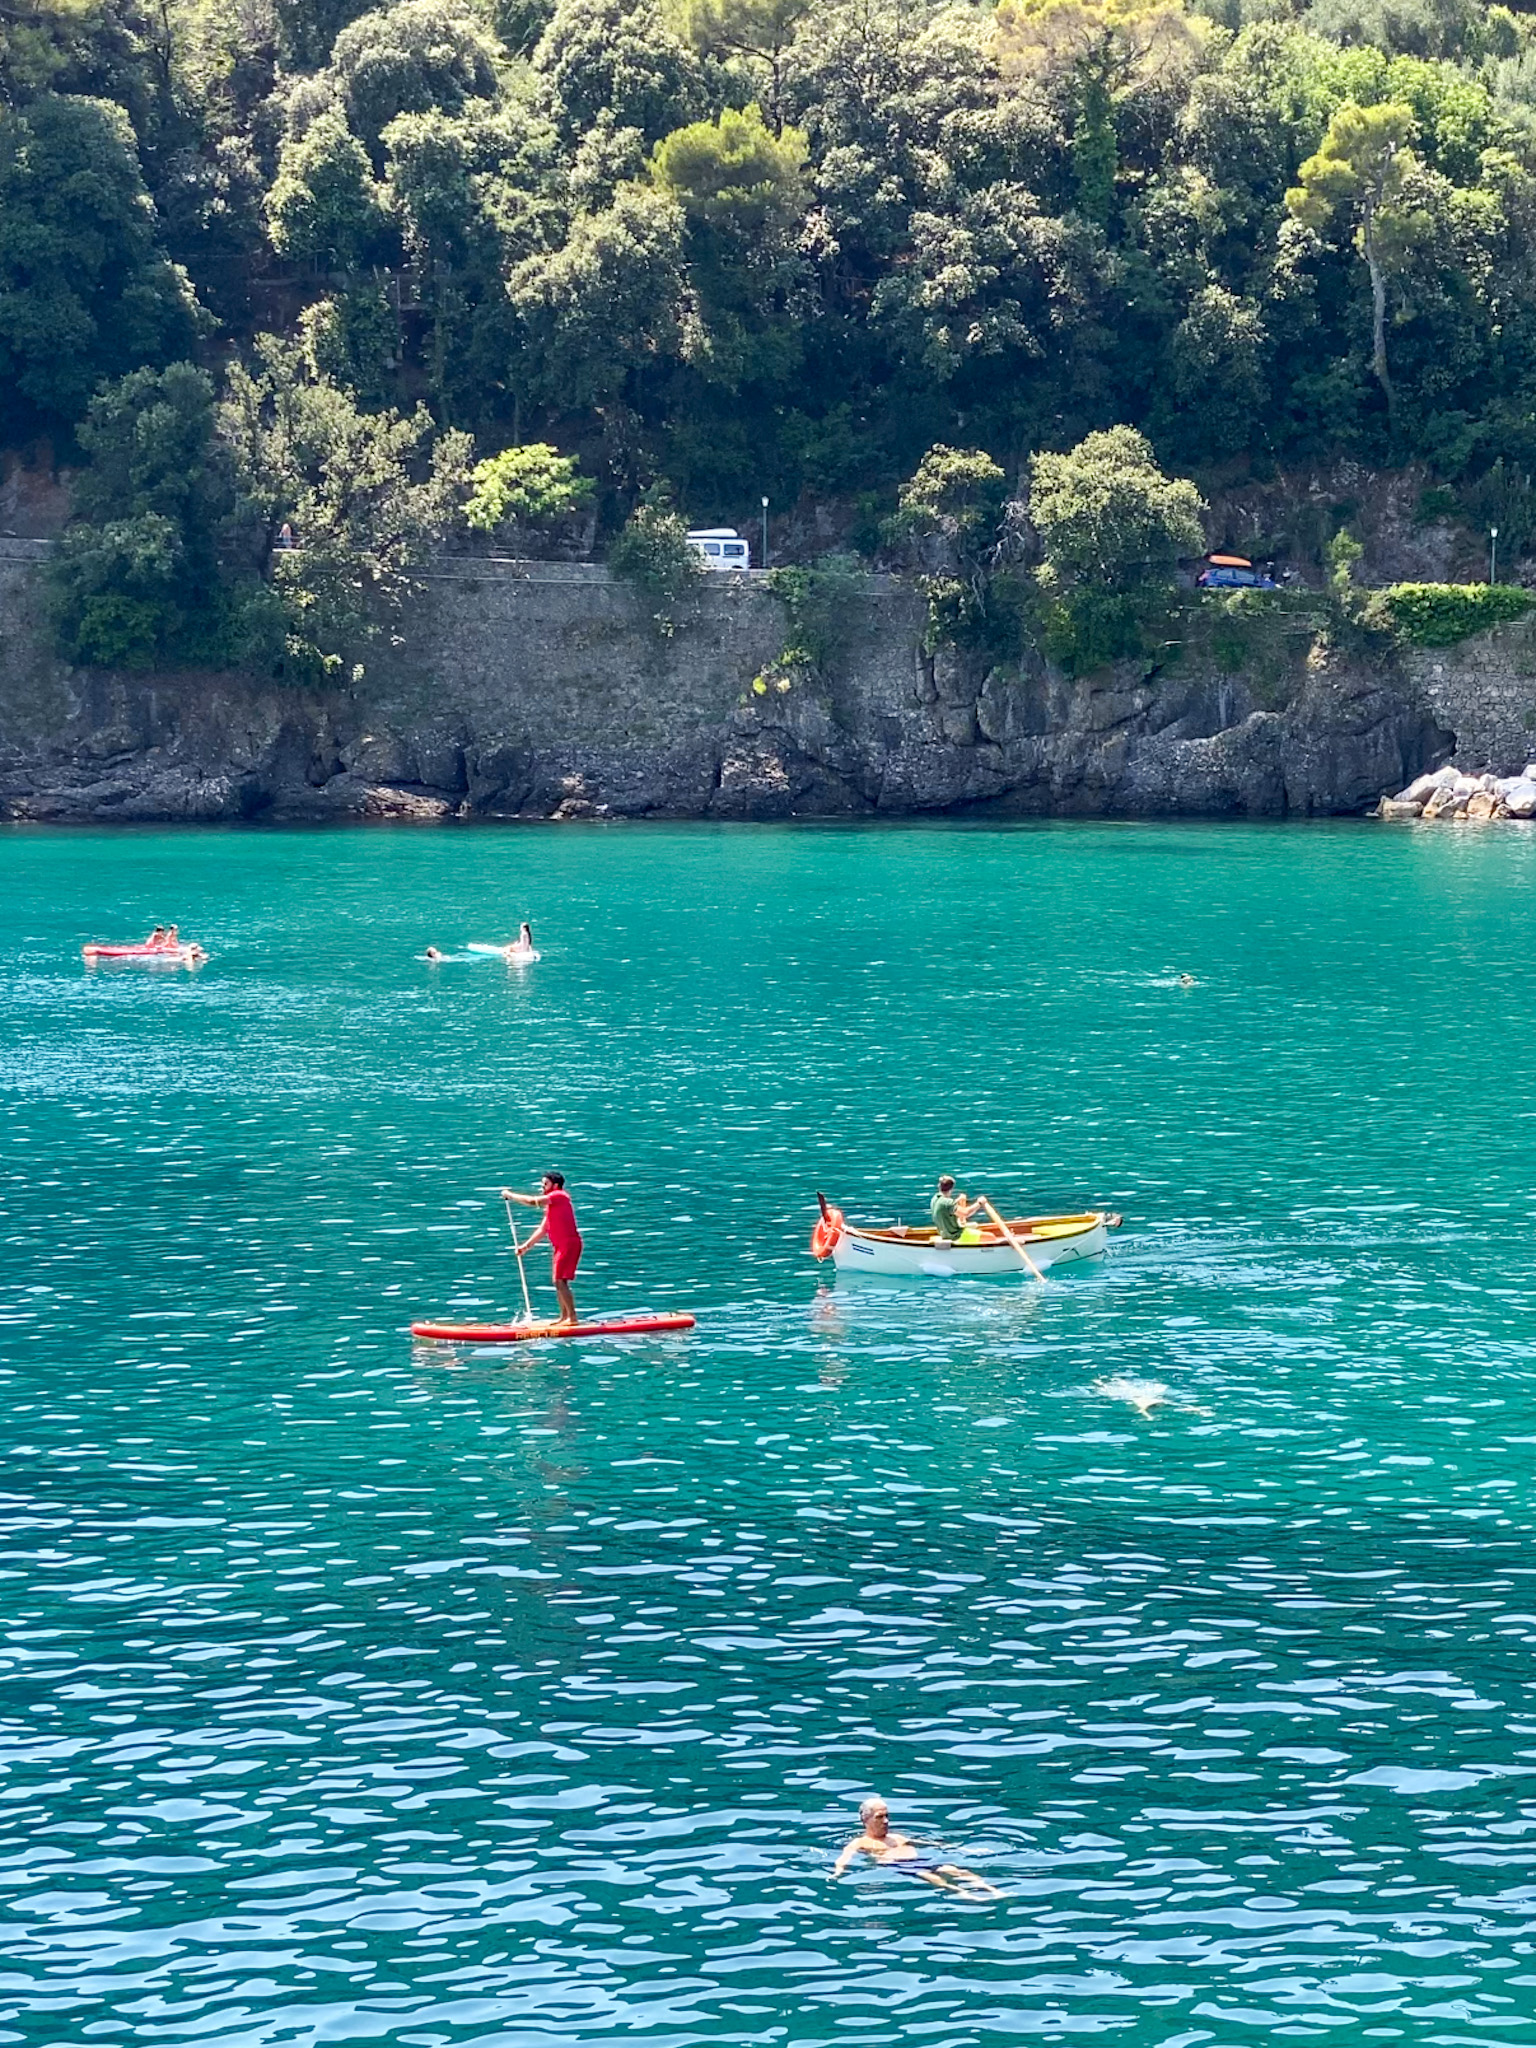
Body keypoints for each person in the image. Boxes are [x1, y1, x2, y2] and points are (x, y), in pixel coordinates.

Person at [832, 1796, 1003, 1898]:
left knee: (955, 1870)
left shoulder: (897, 1837)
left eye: (887, 1816)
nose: (886, 1821)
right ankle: (963, 1893)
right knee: (932, 1877)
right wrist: (837, 1873)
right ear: (866, 1820)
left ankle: (991, 1890)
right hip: (899, 1865)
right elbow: (844, 1858)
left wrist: (966, 1850)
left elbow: (930, 1843)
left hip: (919, 1860)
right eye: (880, 1817)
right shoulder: (860, 1842)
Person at [503, 1170, 582, 1326]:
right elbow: (543, 1229)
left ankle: (572, 1318)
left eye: (545, 1184)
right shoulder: (552, 1205)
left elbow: (533, 1202)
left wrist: (511, 1195)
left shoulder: (559, 1195)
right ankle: (564, 1317)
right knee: (558, 1281)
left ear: (555, 1185)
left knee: (560, 1281)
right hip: (561, 1246)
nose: (542, 1187)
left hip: (569, 1244)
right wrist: (525, 1247)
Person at [930, 1174, 985, 1243]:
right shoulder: (948, 1202)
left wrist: (958, 1200)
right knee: (990, 1237)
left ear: (939, 1186)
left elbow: (946, 1207)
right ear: (952, 1188)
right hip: (956, 1236)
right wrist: (979, 1203)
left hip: (945, 1234)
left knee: (976, 1226)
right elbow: (966, 1213)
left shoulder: (935, 1199)